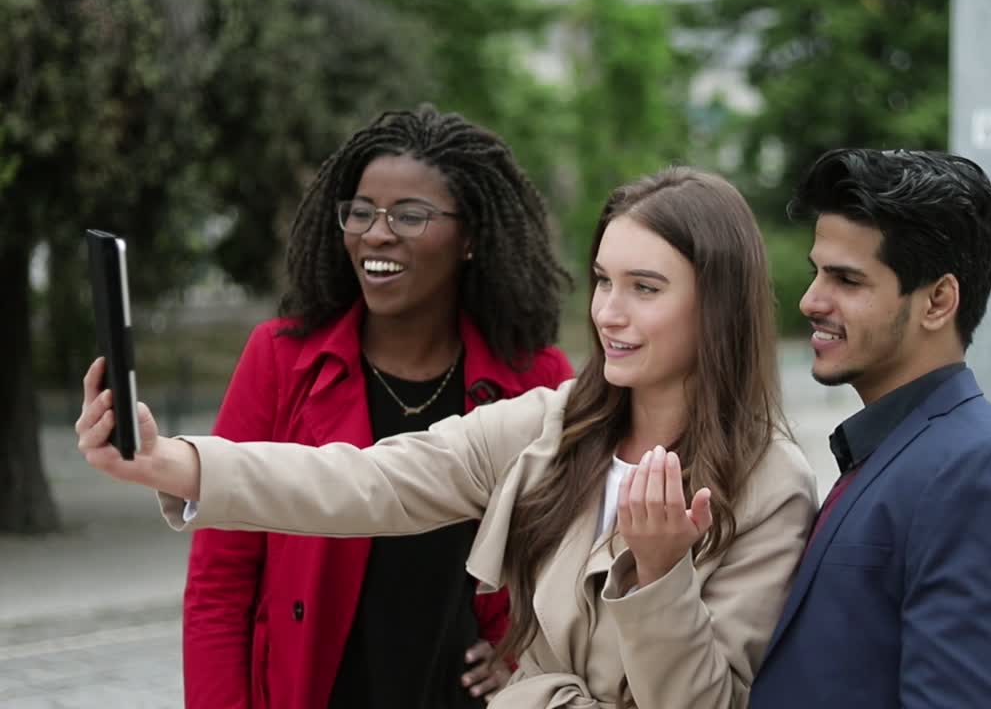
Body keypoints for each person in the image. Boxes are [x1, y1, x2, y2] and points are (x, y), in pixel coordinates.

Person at [77, 167, 818, 709]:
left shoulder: (770, 483)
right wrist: (170, 461)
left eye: (645, 288)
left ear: (717, 304)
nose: (608, 314)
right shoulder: (552, 424)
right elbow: (367, 482)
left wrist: (660, 578)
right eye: (601, 280)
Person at [180, 105, 576, 709]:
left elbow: (574, 566)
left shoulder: (535, 380)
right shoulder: (280, 361)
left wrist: (527, 655)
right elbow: (220, 583)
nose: (375, 233)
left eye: (410, 215)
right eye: (360, 212)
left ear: (470, 237)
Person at [748, 148, 991, 708]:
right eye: (816, 272)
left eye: (847, 280)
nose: (810, 300)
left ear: (938, 301)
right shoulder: (902, 449)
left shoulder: (981, 474)